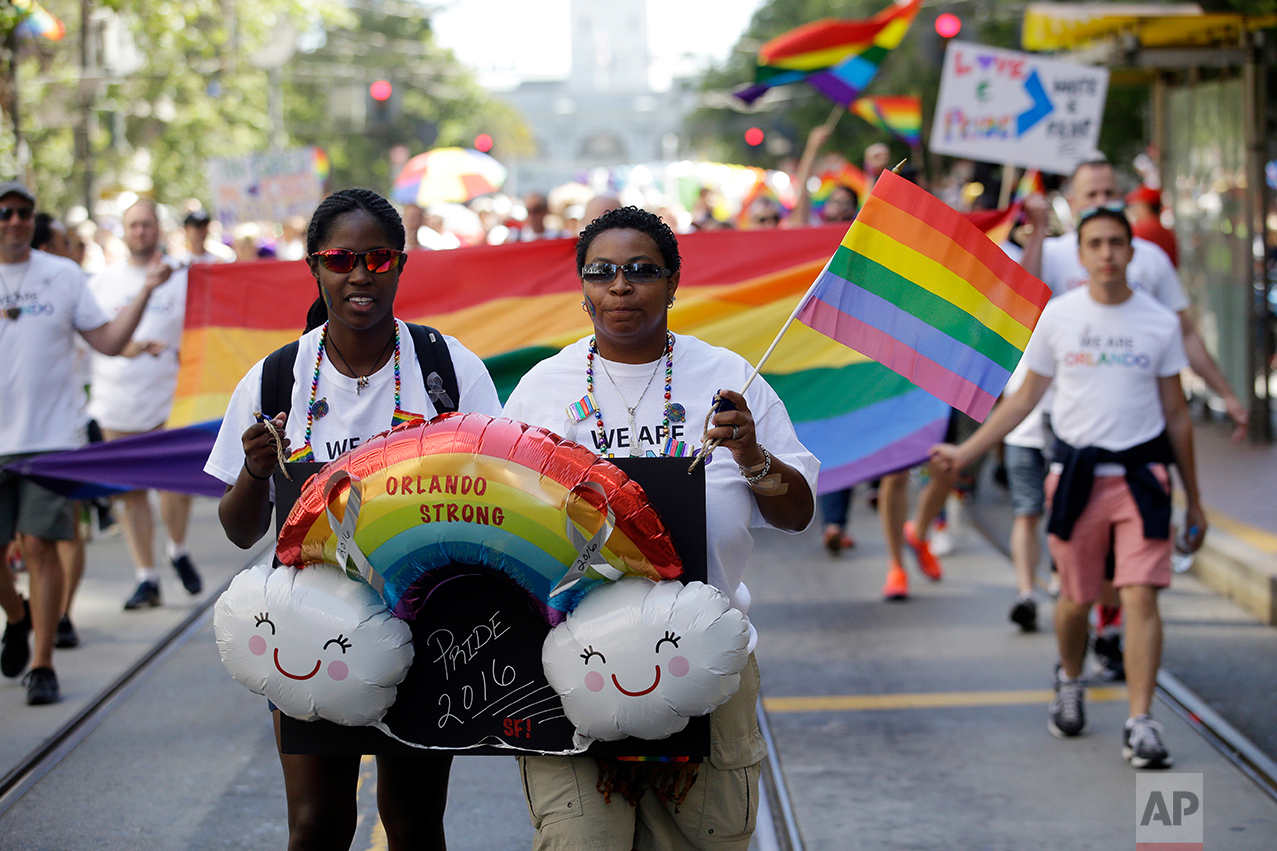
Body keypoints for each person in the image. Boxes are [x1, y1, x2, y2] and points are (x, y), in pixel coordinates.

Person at [503, 206, 817, 849]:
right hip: (572, 669)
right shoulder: (542, 391)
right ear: (584, 287)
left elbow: (798, 513)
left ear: (674, 283)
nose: (621, 286)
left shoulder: (731, 380)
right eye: (602, 272)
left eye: (642, 271)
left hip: (705, 666)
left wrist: (752, 454)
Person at [205, 188, 501, 850]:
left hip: (430, 629)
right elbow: (238, 528)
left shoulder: (447, 369)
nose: (359, 273)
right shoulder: (276, 377)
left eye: (378, 257)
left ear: (400, 264)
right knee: (316, 824)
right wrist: (257, 468)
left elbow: (497, 504)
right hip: (305, 631)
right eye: (340, 258)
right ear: (314, 266)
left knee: (415, 822)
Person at [931, 205, 1206, 769]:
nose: (1107, 253)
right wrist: (966, 451)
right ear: (1080, 255)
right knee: (1076, 600)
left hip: (1142, 481)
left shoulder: (1157, 322)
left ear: (1132, 253)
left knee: (1140, 595)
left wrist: (1195, 499)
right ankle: (1071, 678)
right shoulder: (1058, 318)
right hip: (1078, 480)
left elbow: (1177, 414)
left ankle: (1141, 721)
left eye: (1116, 243)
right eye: (1096, 243)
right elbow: (1025, 399)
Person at [0, 180, 169, 704]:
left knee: (41, 547)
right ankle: (19, 615)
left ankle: (44, 663)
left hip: (51, 438)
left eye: (24, 213)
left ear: (35, 220)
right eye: (4, 213)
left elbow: (110, 342)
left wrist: (146, 292)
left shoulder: (64, 276)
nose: (14, 221)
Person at [89, 199, 204, 610]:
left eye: (147, 224)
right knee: (130, 492)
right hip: (118, 401)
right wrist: (130, 349)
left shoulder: (183, 278)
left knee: (175, 483)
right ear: (124, 231)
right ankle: (146, 576)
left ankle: (178, 549)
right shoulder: (102, 283)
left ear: (159, 228)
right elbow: (96, 338)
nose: (140, 231)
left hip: (171, 399)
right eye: (133, 225)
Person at [1126, 185, 1177, 268]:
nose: (1134, 210)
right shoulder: (1169, 234)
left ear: (1146, 207)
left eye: (1137, 205)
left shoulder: (1138, 231)